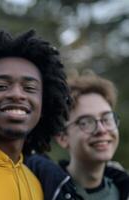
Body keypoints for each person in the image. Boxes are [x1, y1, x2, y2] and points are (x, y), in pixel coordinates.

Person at [0, 30, 72, 200]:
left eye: (30, 88)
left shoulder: (40, 184)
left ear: (45, 102)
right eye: (2, 86)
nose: (17, 95)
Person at [55, 70, 129, 200]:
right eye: (86, 122)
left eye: (107, 118)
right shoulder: (46, 191)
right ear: (62, 137)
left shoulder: (124, 188)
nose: (101, 129)